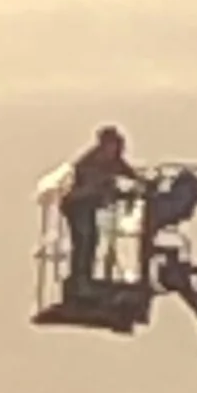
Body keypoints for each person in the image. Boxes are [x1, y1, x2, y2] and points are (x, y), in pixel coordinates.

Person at [61, 126, 131, 294]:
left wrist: (143, 184)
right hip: (78, 205)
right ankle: (79, 281)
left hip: (88, 206)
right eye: (113, 144)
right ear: (105, 144)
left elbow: (128, 173)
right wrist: (111, 190)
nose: (116, 149)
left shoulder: (113, 160)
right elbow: (92, 185)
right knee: (84, 241)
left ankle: (84, 279)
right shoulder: (91, 162)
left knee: (92, 240)